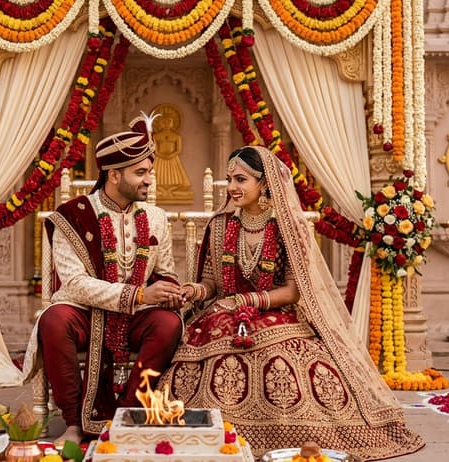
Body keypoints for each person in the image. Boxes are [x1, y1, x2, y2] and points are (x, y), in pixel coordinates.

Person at [163, 146, 424, 460]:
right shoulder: (220, 225)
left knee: (280, 355)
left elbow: (291, 292)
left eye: (241, 179)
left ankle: (289, 434)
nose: (232, 187)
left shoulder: (285, 226)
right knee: (208, 344)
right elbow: (211, 284)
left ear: (264, 183)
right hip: (224, 312)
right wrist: (194, 291)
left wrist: (246, 300)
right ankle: (210, 434)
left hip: (278, 312)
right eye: (229, 179)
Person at [22, 113, 184, 446]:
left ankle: (127, 415)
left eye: (149, 172)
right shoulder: (72, 216)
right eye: (140, 173)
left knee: (169, 324)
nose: (149, 181)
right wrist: (140, 295)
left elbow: (165, 270)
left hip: (135, 315)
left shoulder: (156, 218)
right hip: (83, 310)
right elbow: (75, 284)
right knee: (54, 320)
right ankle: (74, 421)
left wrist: (172, 291)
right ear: (114, 175)